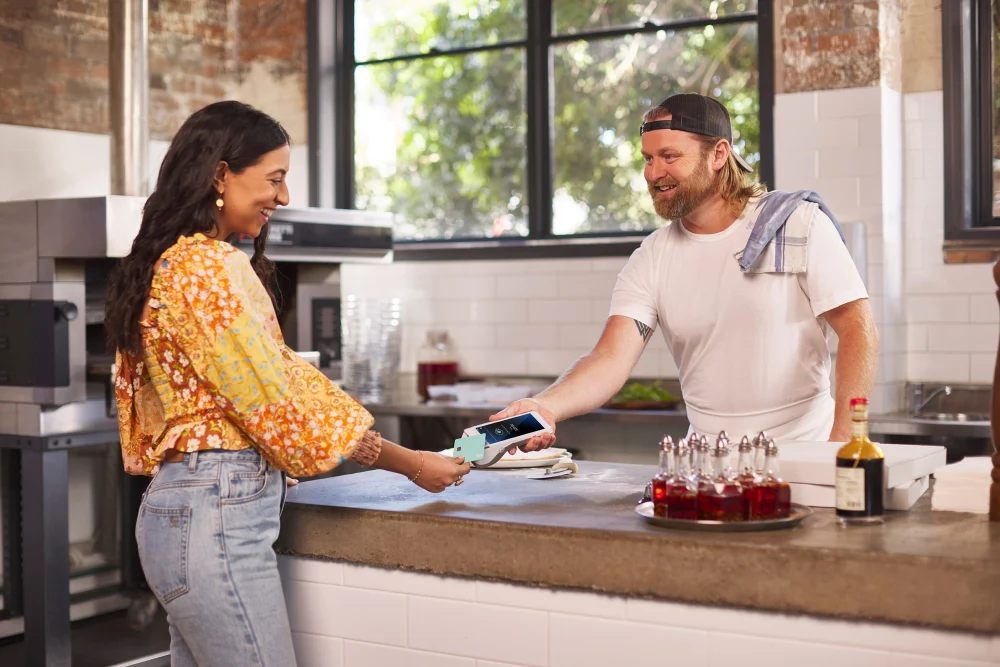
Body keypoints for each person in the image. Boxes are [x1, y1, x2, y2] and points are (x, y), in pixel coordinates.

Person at [105, 101, 470, 666]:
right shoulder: (208, 267)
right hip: (215, 516)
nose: (283, 196)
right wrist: (413, 463)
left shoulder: (169, 263)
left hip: (182, 513)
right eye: (274, 178)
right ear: (221, 173)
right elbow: (282, 402)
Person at [494, 92, 878, 448]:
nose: (653, 173)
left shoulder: (796, 224)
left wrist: (841, 447)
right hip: (707, 465)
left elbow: (858, 332)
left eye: (669, 156)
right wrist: (544, 406)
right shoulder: (653, 256)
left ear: (718, 154)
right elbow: (609, 359)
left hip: (804, 453)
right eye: (648, 158)